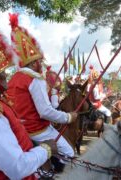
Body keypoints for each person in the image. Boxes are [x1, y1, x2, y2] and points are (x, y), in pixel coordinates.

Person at [0, 16, 57, 179]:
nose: (7, 76)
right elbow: (17, 167)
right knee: (69, 152)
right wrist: (47, 149)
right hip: (35, 140)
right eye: (2, 74)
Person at [5, 13, 77, 166]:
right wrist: (69, 117)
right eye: (39, 61)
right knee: (70, 154)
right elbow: (45, 111)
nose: (40, 64)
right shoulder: (34, 79)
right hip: (37, 130)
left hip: (18, 129)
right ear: (33, 63)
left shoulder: (13, 78)